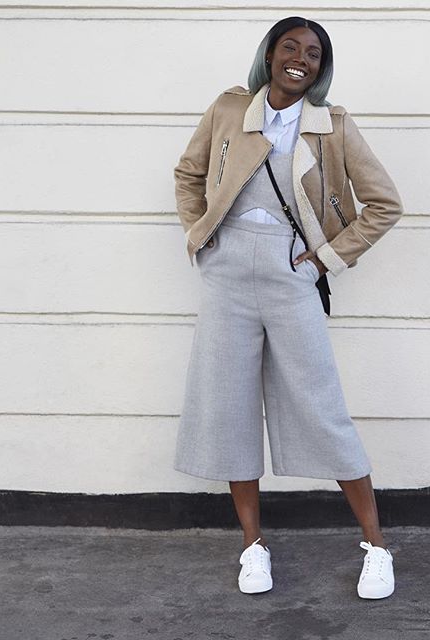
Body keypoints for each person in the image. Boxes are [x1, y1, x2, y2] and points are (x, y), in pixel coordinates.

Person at [172, 16, 403, 599]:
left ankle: (377, 547)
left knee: (322, 406)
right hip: (227, 272)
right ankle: (253, 548)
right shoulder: (231, 109)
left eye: (314, 53)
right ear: (269, 54)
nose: (301, 59)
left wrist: (325, 259)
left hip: (290, 268)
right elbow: (188, 173)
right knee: (229, 408)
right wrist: (203, 234)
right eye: (290, 47)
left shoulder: (333, 126)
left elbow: (383, 204)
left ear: (322, 67)